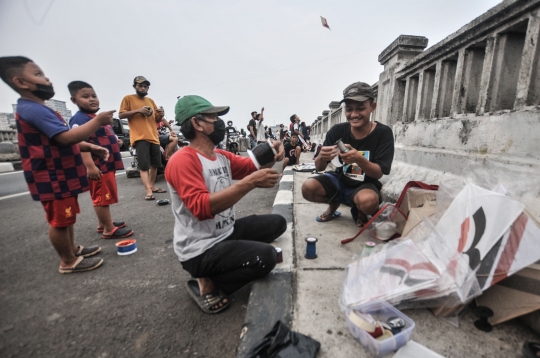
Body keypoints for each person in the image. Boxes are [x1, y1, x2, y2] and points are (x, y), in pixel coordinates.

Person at [165, 95, 287, 314]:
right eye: (214, 117)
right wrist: (251, 183)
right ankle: (209, 283)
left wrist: (274, 148)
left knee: (277, 223)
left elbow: (255, 164)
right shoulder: (183, 160)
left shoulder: (219, 156)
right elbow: (202, 208)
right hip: (200, 249)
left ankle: (222, 263)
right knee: (265, 257)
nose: (219, 122)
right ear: (197, 123)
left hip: (224, 232)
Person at [0, 56, 113, 273]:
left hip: (61, 174)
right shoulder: (33, 109)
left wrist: (91, 148)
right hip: (51, 176)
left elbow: (61, 137)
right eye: (38, 74)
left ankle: (72, 249)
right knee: (60, 220)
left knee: (67, 217)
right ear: (21, 82)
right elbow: (65, 138)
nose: (47, 78)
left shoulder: (40, 109)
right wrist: (97, 121)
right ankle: (68, 261)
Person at [301, 82, 394, 226]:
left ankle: (360, 209)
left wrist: (359, 159)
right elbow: (319, 167)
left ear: (372, 107)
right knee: (308, 188)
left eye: (361, 108)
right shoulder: (337, 131)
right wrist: (321, 156)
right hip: (339, 179)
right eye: (349, 109)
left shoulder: (383, 133)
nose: (354, 114)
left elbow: (378, 174)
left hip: (365, 184)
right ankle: (334, 203)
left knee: (369, 203)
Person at [68, 81, 134, 239]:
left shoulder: (96, 117)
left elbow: (100, 137)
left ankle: (103, 223)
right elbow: (79, 142)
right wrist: (90, 166)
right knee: (101, 198)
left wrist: (115, 142)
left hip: (106, 164)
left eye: (94, 96)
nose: (92, 99)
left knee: (105, 196)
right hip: (98, 166)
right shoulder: (79, 119)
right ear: (74, 100)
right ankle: (108, 229)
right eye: (85, 96)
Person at [119, 76, 166, 200]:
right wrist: (138, 110)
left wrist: (161, 115)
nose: (143, 88)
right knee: (144, 165)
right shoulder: (128, 98)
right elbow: (121, 114)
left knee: (155, 164)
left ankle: (152, 186)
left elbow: (156, 119)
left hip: (154, 137)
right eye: (140, 86)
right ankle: (148, 191)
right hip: (140, 137)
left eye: (145, 86)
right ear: (135, 86)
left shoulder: (150, 100)